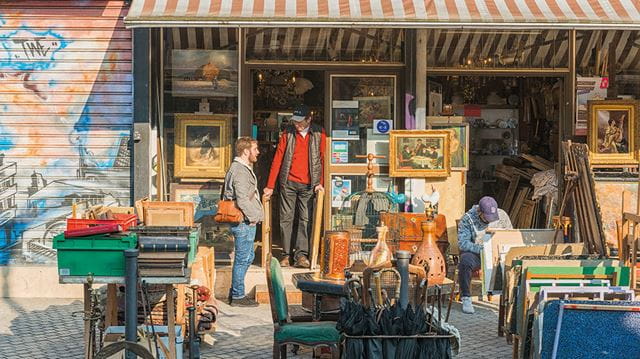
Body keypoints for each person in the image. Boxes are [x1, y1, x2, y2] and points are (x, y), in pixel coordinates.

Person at [264, 104, 326, 268]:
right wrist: (270, 185)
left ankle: (301, 255)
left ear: (309, 119)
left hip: (309, 184)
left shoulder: (319, 134)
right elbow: (278, 159)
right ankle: (286, 254)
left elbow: (323, 160)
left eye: (300, 122)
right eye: (295, 122)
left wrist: (321, 183)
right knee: (286, 219)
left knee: (305, 220)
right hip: (288, 182)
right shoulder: (288, 133)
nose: (297, 125)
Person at [224, 137, 263, 307]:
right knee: (243, 258)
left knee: (249, 256)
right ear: (246, 151)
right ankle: (238, 296)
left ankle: (236, 291)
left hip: (245, 220)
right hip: (243, 221)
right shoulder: (239, 170)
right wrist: (253, 217)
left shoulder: (242, 168)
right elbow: (241, 199)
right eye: (255, 149)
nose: (258, 152)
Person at [457, 196, 512, 314]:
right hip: (478, 253)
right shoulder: (467, 219)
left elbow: (510, 234)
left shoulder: (502, 215)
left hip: (499, 252)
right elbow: (463, 243)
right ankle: (466, 297)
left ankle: (510, 298)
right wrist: (483, 249)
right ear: (479, 212)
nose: (490, 221)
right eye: (487, 218)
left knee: (513, 261)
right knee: (465, 261)